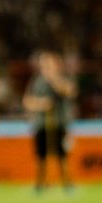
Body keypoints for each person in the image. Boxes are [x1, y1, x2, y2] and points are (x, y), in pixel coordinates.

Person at [23, 50, 76, 191]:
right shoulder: (36, 81)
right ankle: (41, 183)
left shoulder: (62, 79)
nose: (45, 67)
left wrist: (53, 79)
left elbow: (69, 91)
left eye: (48, 64)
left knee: (62, 155)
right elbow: (27, 101)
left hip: (59, 123)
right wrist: (42, 104)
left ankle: (67, 183)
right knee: (41, 156)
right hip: (41, 124)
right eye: (43, 64)